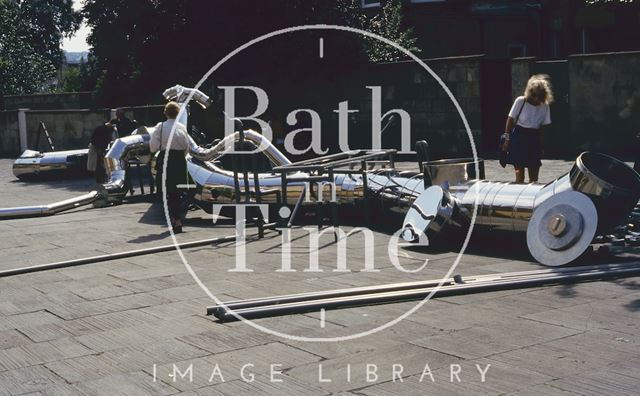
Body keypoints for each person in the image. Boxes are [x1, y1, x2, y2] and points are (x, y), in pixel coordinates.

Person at [149, 101, 195, 233]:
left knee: (170, 192)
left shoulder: (160, 127)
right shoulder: (181, 127)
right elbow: (187, 146)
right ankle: (177, 218)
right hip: (180, 160)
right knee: (184, 190)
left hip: (167, 159)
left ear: (165, 113)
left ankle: (176, 219)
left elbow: (153, 147)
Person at [502, 74, 553, 183]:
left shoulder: (545, 106)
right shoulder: (521, 101)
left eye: (540, 95)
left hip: (534, 137)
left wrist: (541, 144)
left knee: (534, 178)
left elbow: (543, 127)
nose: (536, 98)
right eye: (534, 94)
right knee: (519, 176)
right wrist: (507, 140)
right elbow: (510, 119)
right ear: (530, 92)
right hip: (519, 136)